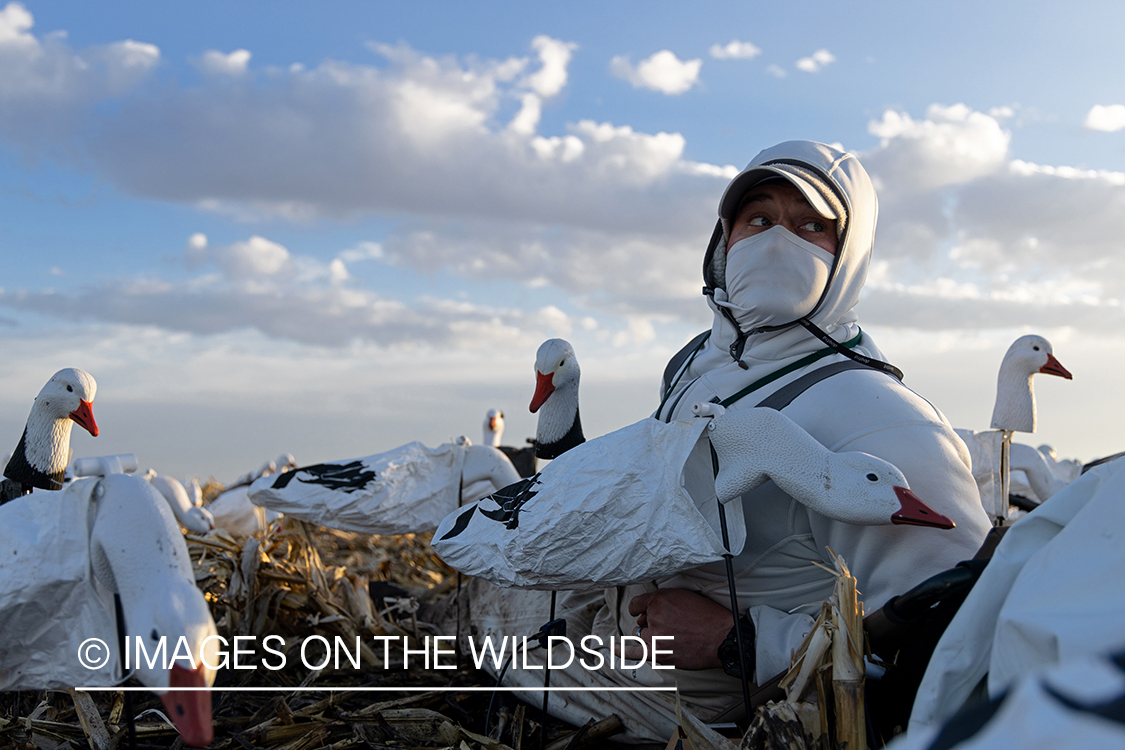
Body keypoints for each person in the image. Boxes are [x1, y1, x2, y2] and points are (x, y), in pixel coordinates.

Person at [456, 140, 992, 744]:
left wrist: (737, 641)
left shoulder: (882, 421)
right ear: (722, 242)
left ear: (850, 256)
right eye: (758, 219)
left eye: (810, 225)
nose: (775, 241)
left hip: (710, 698)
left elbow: (956, 633)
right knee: (491, 569)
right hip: (624, 629)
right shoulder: (697, 366)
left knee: (487, 627)